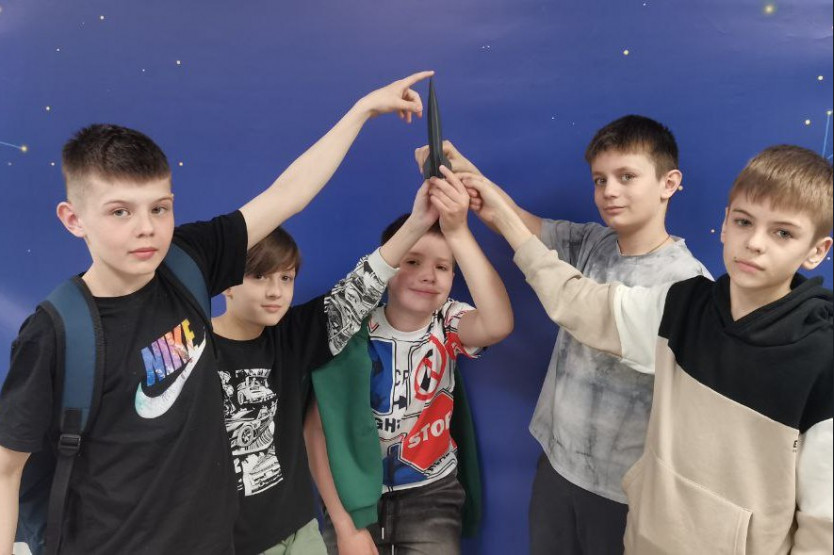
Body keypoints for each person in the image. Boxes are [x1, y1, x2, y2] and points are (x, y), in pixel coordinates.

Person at [0, 70, 433, 555]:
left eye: (159, 209)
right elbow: (6, 468)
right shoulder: (58, 330)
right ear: (73, 219)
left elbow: (287, 194)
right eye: (120, 211)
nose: (146, 229)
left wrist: (362, 111)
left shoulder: (186, 261)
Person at [464, 144, 833, 554]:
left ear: (817, 251)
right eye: (744, 222)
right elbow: (579, 303)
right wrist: (503, 217)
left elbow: (824, 526)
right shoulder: (682, 306)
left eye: (783, 233)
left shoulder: (822, 359)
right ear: (726, 224)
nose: (756, 243)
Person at [418, 115, 710, 554]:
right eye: (600, 179)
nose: (609, 191)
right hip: (557, 466)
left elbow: (524, 241)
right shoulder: (592, 242)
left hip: (624, 489)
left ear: (668, 183)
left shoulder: (688, 285)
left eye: (626, 176)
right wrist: (466, 176)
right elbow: (516, 223)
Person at [213, 181, 442, 555]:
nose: (275, 291)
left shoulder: (290, 336)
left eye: (286, 278)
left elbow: (362, 286)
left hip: (299, 530)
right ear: (227, 283)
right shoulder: (192, 348)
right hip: (232, 540)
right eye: (259, 276)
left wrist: (417, 223)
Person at [306, 165, 513, 555]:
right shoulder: (349, 329)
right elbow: (317, 430)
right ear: (387, 269)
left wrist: (458, 232)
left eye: (442, 267)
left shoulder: (448, 322)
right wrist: (345, 524)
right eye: (412, 261)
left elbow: (498, 324)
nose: (428, 275)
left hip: (431, 493)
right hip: (353, 498)